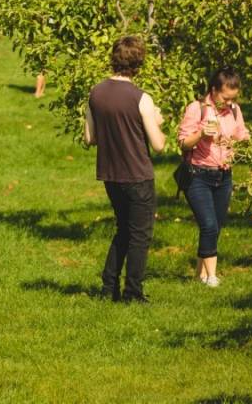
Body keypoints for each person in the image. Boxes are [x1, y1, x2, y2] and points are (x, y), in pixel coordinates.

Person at [84, 36, 166, 303]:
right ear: (139, 63)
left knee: (123, 229)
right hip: (138, 175)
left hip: (110, 174)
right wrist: (157, 120)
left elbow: (90, 138)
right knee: (140, 235)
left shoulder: (95, 93)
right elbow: (159, 145)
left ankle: (109, 287)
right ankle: (133, 292)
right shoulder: (142, 98)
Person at [177, 68, 251, 287]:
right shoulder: (196, 109)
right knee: (208, 225)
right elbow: (182, 143)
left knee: (215, 226)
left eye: (233, 98)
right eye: (225, 97)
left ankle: (199, 273)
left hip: (224, 175)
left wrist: (247, 141)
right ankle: (212, 277)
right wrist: (201, 134)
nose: (229, 102)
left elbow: (241, 134)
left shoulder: (235, 111)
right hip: (198, 174)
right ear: (214, 90)